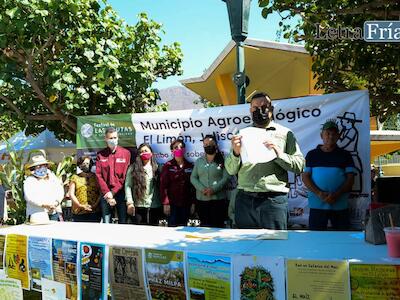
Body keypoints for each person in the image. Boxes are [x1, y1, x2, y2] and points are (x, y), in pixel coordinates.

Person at [225, 92, 305, 229]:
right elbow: (231, 169)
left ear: (271, 109)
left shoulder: (285, 134)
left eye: (264, 106)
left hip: (273, 200)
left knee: (274, 246)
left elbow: (299, 165)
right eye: (255, 108)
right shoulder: (242, 134)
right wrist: (235, 153)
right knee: (245, 245)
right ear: (250, 111)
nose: (260, 110)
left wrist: (278, 153)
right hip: (245, 199)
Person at [302, 119, 355, 231]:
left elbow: (350, 179)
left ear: (338, 136)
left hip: (340, 205)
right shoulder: (312, 154)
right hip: (317, 205)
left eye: (334, 134)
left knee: (342, 239)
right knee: (316, 239)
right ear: (322, 135)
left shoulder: (345, 155)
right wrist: (319, 193)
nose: (331, 136)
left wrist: (336, 194)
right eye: (328, 133)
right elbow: (305, 177)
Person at [190, 135, 230, 227]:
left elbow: (226, 178)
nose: (208, 146)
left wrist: (213, 189)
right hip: (201, 200)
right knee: (204, 227)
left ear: (216, 145)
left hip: (218, 201)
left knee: (218, 226)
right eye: (206, 144)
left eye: (211, 143)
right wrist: (202, 189)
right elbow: (193, 177)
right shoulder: (199, 161)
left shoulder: (223, 160)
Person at [96, 127, 131, 224]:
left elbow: (125, 176)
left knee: (123, 222)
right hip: (106, 194)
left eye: (115, 137)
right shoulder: (100, 155)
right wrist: (107, 193)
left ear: (118, 138)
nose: (113, 140)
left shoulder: (126, 153)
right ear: (106, 139)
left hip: (120, 193)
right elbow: (98, 175)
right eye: (110, 138)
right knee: (106, 223)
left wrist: (113, 192)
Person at [160, 139, 196, 226]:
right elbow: (163, 186)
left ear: (184, 149)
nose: (179, 149)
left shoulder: (190, 166)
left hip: (186, 204)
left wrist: (193, 204)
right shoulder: (168, 166)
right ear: (172, 150)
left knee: (184, 230)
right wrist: (166, 203)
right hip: (172, 205)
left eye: (181, 147)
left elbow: (193, 187)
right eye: (176, 147)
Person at [125, 143, 163, 225]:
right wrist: (129, 202)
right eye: (141, 152)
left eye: (146, 151)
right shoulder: (133, 168)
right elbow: (128, 186)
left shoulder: (158, 167)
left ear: (151, 153)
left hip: (154, 206)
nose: (144, 153)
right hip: (138, 205)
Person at [24, 150, 64, 221]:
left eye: (44, 165)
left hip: (54, 212)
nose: (42, 168)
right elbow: (29, 197)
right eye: (39, 166)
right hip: (37, 214)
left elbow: (60, 191)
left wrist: (56, 203)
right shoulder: (29, 180)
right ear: (33, 168)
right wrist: (44, 205)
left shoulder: (53, 177)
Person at [69, 156, 101, 222]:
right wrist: (79, 205)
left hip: (94, 211)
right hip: (78, 211)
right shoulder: (75, 177)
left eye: (88, 163)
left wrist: (95, 205)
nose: (86, 165)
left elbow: (101, 192)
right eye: (84, 163)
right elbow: (71, 194)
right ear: (79, 165)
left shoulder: (95, 177)